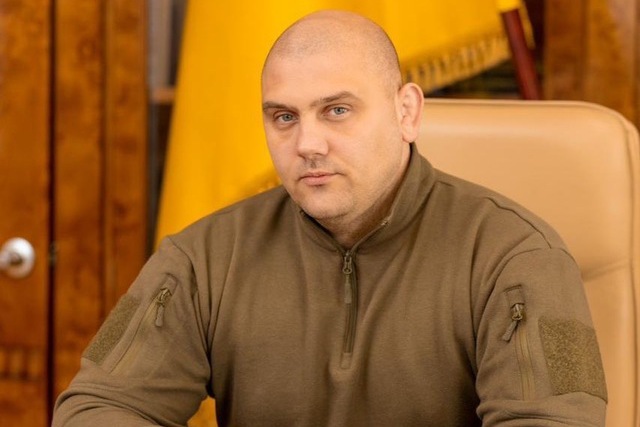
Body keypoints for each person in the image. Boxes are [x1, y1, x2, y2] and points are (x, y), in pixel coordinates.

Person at [53, 10, 607, 426]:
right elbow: (95, 408)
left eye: (337, 110)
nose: (307, 144)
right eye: (284, 117)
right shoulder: (204, 257)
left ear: (406, 112)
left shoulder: (519, 257)